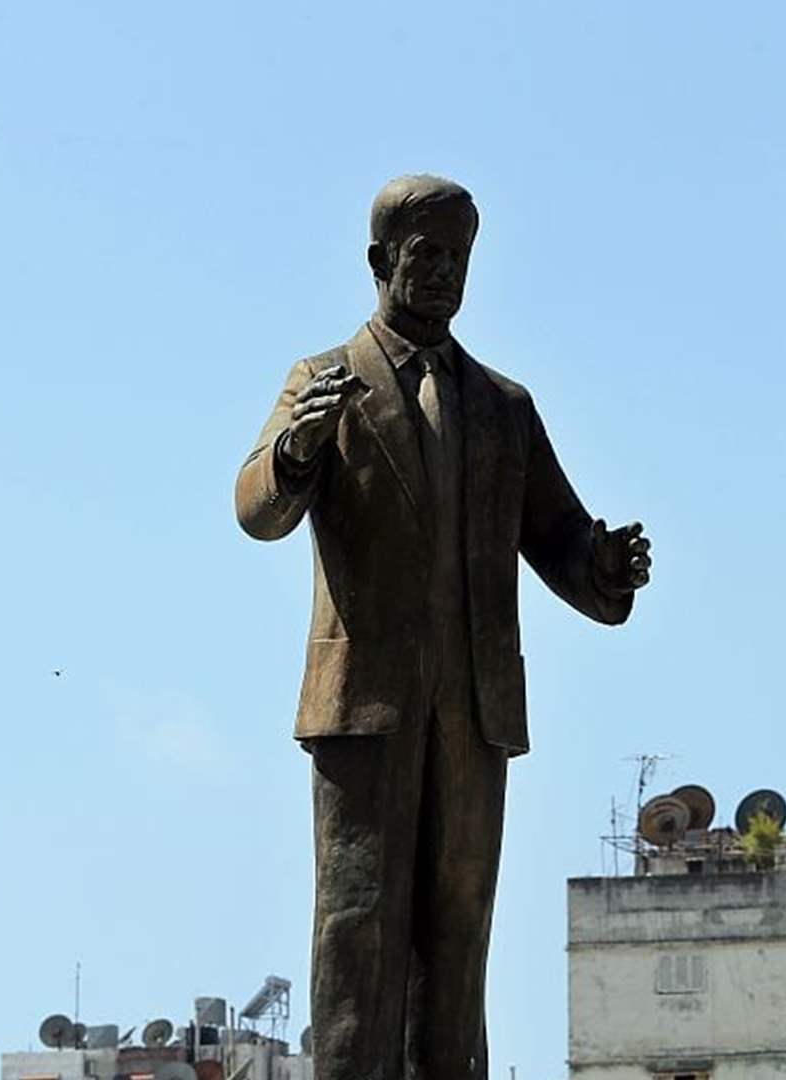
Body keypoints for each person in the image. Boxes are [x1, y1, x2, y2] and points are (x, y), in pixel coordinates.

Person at [233, 174, 650, 1080]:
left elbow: (559, 535)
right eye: (427, 256)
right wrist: (298, 450)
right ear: (382, 261)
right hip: (364, 713)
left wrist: (603, 568)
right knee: (359, 932)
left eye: (460, 259)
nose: (445, 275)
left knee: (459, 936)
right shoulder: (324, 383)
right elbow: (258, 505)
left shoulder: (503, 408)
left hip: (473, 712)